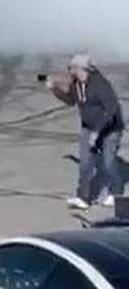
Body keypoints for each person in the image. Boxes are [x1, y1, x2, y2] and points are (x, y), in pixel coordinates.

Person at [46, 53, 124, 209]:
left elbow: (111, 110)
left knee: (108, 163)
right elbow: (70, 100)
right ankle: (83, 198)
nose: (71, 71)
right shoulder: (77, 83)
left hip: (110, 129)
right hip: (88, 127)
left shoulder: (100, 85)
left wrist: (97, 133)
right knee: (85, 164)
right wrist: (55, 88)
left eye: (74, 68)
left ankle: (116, 194)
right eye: (71, 68)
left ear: (85, 69)